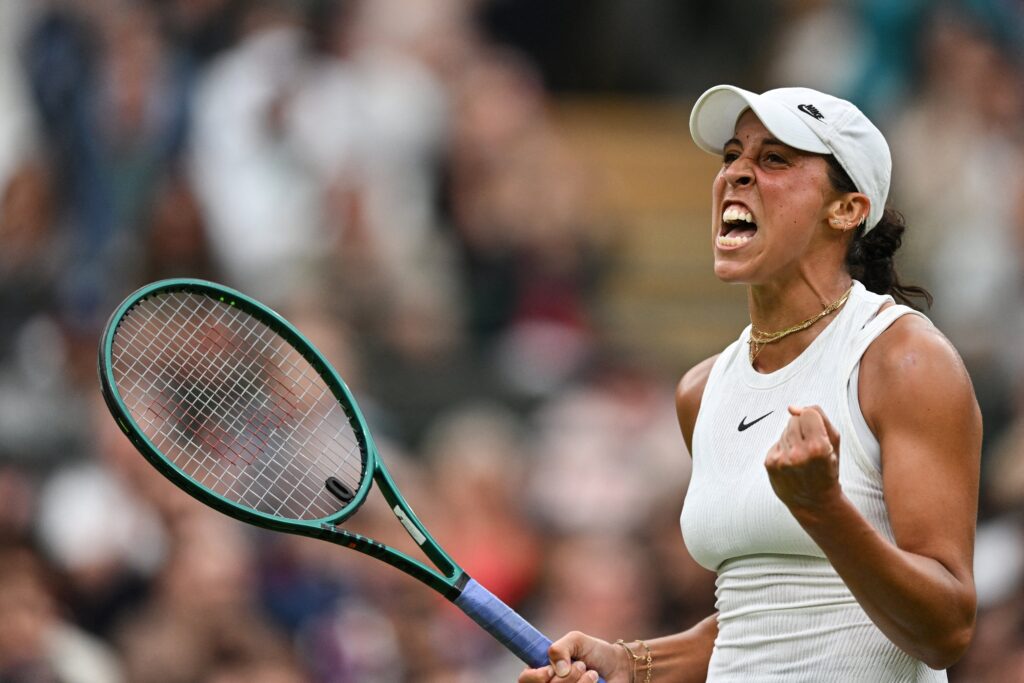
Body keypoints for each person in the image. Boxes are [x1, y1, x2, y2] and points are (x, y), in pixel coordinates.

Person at [517, 85, 982, 682]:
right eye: (732, 156)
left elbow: (945, 631)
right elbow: (757, 621)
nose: (736, 173)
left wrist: (824, 511)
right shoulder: (700, 391)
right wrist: (633, 663)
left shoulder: (904, 361)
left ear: (846, 210)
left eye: (774, 159)